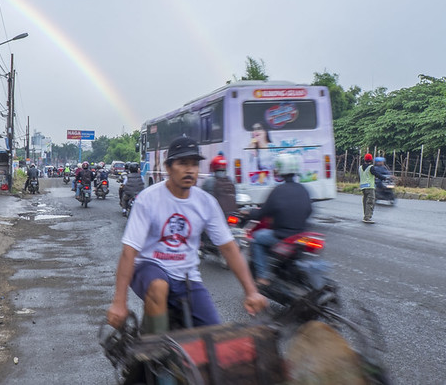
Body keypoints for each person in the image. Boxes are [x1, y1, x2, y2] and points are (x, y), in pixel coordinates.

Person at [107, 136, 267, 334]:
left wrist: (251, 292)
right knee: (159, 286)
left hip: (187, 277)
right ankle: (150, 348)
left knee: (215, 338)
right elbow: (129, 251)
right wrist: (119, 302)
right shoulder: (148, 199)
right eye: (182, 163)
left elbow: (228, 247)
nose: (189, 169)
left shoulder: (206, 202)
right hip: (149, 268)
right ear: (168, 167)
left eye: (194, 164)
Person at [243, 153, 311, 286]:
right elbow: (309, 211)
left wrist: (248, 213)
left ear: (280, 170)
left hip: (281, 236)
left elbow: (262, 213)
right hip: (301, 236)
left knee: (256, 239)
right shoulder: (303, 189)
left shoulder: (278, 191)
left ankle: (262, 277)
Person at [359, 153, 385, 223]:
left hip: (363, 187)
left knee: (365, 202)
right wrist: (384, 178)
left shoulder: (360, 167)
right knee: (370, 202)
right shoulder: (371, 167)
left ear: (364, 159)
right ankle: (367, 218)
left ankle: (365, 215)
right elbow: (376, 174)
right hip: (370, 187)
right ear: (371, 160)